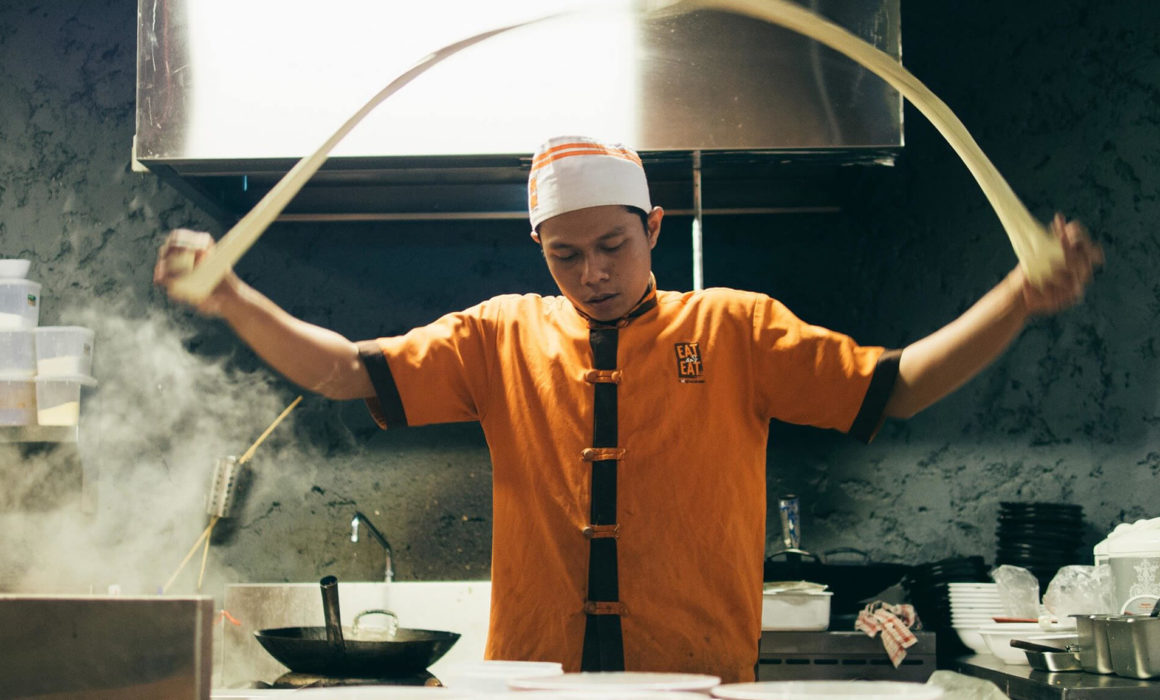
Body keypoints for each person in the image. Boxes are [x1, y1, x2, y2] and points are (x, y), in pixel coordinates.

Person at [154, 136, 1102, 683]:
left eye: (612, 244)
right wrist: (234, 298)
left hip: (698, 679)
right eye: (564, 255)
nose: (592, 273)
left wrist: (1018, 298)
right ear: (539, 249)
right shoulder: (498, 335)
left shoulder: (734, 329)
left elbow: (897, 388)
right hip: (536, 686)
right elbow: (346, 373)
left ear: (655, 227)